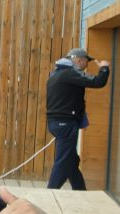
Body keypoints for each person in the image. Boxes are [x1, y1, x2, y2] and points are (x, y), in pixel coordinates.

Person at [46, 48, 110, 190]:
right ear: (79, 60)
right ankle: (50, 193)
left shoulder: (56, 73)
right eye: (86, 62)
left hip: (56, 123)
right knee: (63, 160)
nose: (86, 65)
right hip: (65, 123)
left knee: (71, 160)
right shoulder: (70, 73)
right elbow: (98, 82)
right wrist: (104, 68)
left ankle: (80, 191)